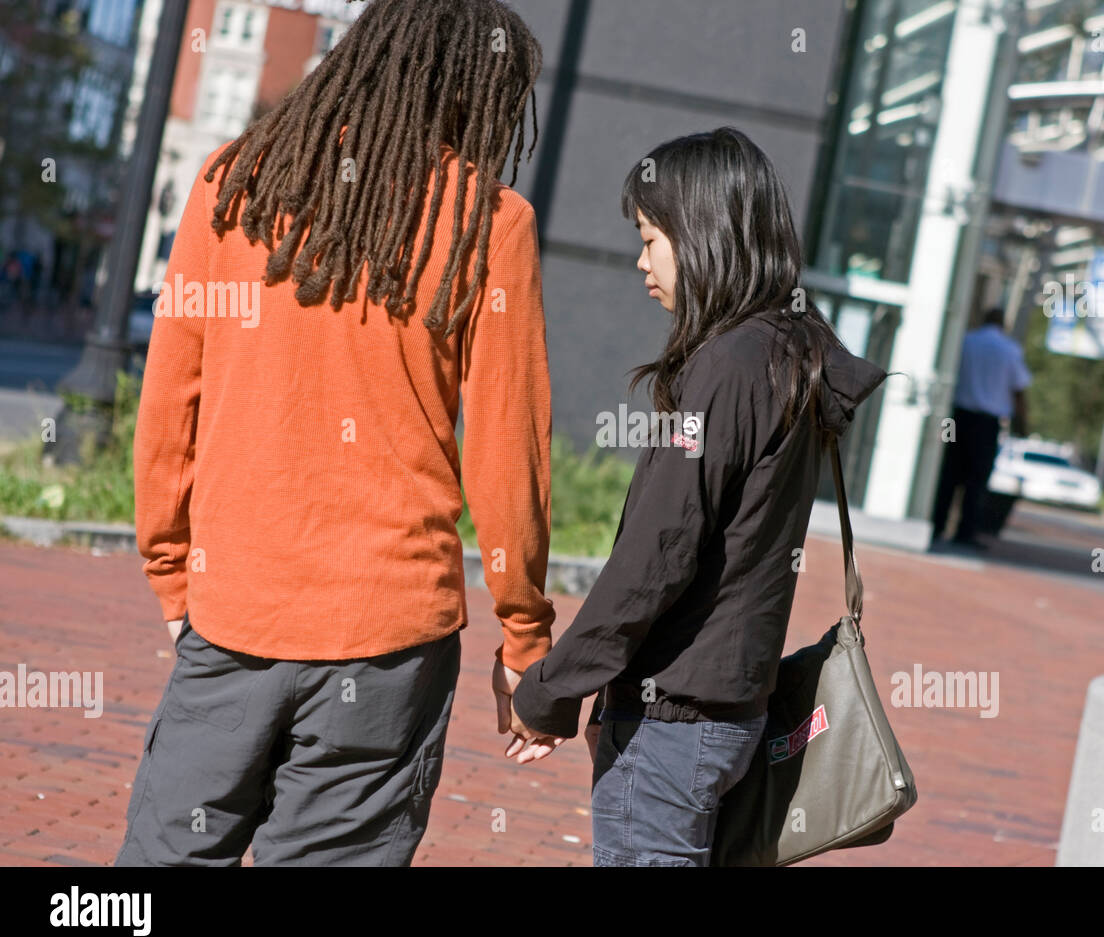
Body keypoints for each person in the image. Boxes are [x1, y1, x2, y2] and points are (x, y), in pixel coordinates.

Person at [117, 0, 554, 866]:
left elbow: (170, 406)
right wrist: (525, 640)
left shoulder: (231, 186)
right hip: (389, 633)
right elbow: (509, 459)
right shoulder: (487, 223)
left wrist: (172, 576)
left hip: (233, 607)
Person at [506, 128, 888, 866]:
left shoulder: (729, 367)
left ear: (706, 234)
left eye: (652, 238)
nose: (640, 260)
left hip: (673, 719)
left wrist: (550, 690)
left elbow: (656, 555)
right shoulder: (790, 352)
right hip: (724, 709)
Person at [930, 307, 1032, 549]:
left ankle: (937, 524)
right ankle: (965, 531)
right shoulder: (1010, 350)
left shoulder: (965, 341)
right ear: (1002, 324)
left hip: (956, 417)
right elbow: (1018, 390)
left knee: (949, 474)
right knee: (977, 479)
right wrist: (1023, 423)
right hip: (987, 423)